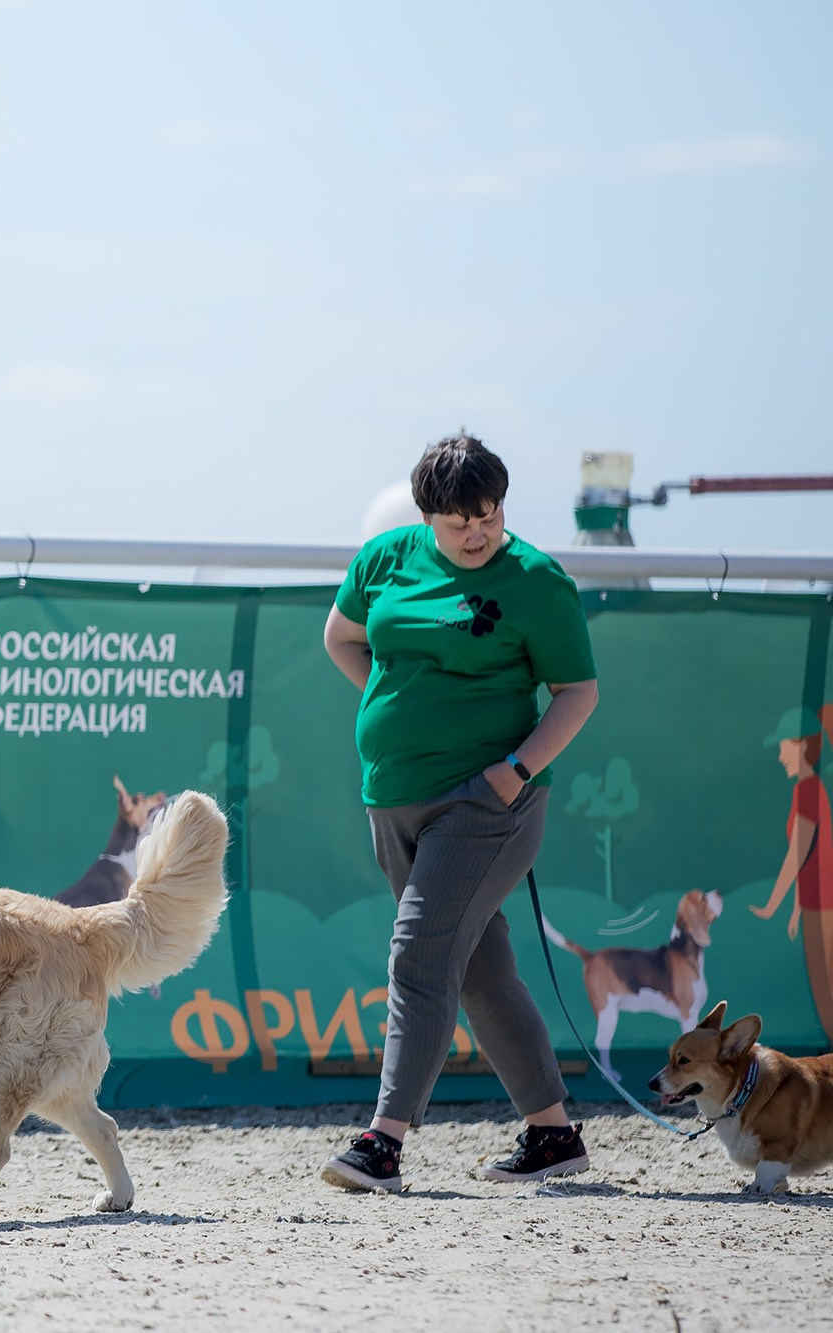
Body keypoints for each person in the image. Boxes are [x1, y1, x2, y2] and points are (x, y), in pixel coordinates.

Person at [318, 433, 601, 1193]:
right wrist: (393, 707)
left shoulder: (538, 581)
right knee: (476, 968)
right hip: (392, 797)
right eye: (459, 520)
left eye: (490, 514)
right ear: (426, 515)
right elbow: (341, 636)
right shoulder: (385, 557)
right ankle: (552, 1133)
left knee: (418, 955)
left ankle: (383, 1142)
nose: (478, 531)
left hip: (485, 802)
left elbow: (578, 692)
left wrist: (513, 771)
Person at [748, 704, 833, 1043]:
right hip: (813, 902)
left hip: (823, 905)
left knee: (827, 996)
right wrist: (797, 907)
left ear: (800, 745)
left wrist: (772, 905)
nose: (780, 754)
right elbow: (811, 855)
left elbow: (798, 854)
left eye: (783, 745)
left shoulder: (809, 790)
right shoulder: (808, 789)